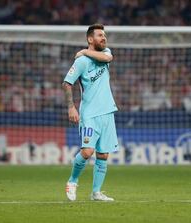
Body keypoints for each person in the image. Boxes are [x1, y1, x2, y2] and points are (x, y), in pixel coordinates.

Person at [62, 23, 118, 202]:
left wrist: (85, 51)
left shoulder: (104, 53)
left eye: (104, 35)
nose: (104, 38)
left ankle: (96, 193)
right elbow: (67, 83)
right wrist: (71, 107)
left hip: (107, 112)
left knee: (103, 154)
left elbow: (109, 58)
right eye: (100, 35)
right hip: (90, 114)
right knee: (87, 152)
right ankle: (72, 181)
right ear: (90, 39)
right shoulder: (81, 62)